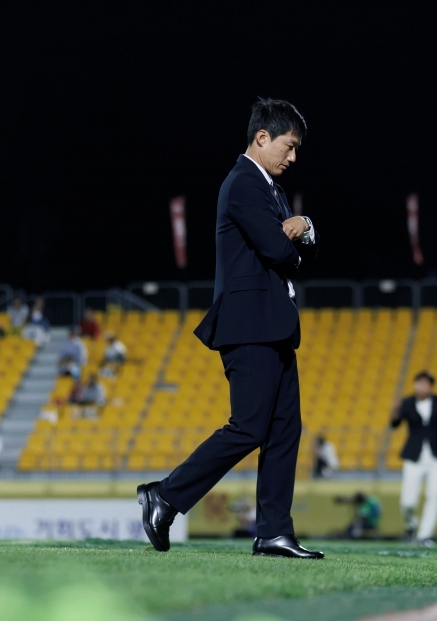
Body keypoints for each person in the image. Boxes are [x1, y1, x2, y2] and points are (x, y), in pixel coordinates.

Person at [138, 99, 321, 558]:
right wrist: (295, 232)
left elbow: (298, 251)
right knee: (249, 427)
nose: (293, 157)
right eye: (289, 145)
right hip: (249, 325)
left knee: (284, 431)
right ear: (262, 137)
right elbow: (280, 253)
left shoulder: (271, 189)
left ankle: (274, 531)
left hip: (273, 324)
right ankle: (165, 496)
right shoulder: (242, 183)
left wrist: (302, 230)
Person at [390, 371, 437, 546]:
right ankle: (410, 526)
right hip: (414, 455)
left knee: (434, 495)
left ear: (431, 387)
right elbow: (394, 424)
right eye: (420, 383)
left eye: (427, 384)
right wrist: (395, 410)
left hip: (436, 456)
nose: (423, 387)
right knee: (407, 501)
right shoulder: (407, 402)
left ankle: (424, 535)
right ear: (415, 385)